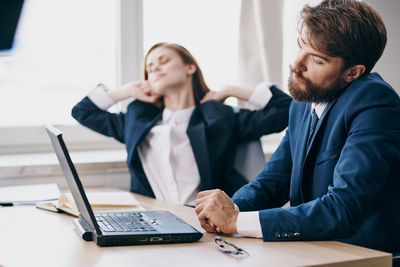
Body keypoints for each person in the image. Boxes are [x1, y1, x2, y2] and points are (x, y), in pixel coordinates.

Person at [195, 0, 400, 255]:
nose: (296, 65)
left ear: (353, 73)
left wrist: (236, 222)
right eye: (300, 45)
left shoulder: (374, 101)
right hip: (313, 250)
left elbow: (343, 209)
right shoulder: (303, 103)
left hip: (363, 256)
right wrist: (228, 209)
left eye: (316, 59)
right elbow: (273, 182)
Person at [72, 42, 291, 206]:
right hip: (152, 221)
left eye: (163, 61)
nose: (155, 68)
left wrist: (232, 90)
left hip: (207, 225)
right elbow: (82, 112)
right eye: (150, 67)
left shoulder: (221, 118)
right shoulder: (137, 120)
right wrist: (127, 90)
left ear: (190, 68)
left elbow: (287, 110)